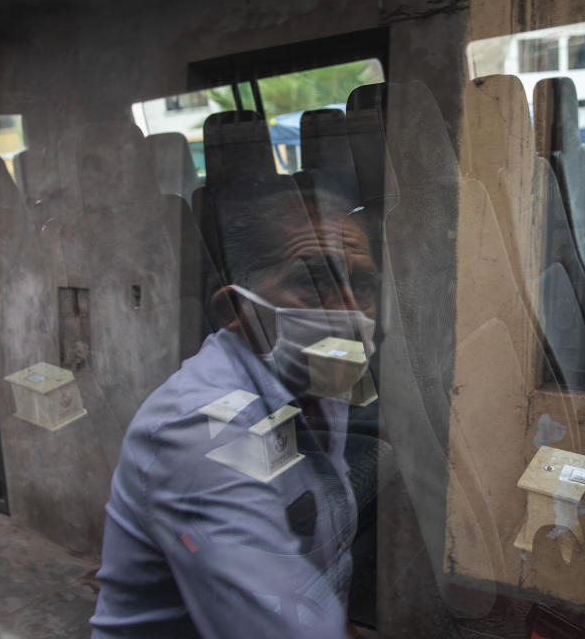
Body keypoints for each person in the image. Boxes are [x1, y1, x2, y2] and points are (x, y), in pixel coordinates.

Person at [90, 189, 380, 638]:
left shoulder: (319, 380)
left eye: (361, 285)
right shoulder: (200, 429)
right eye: (313, 282)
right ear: (235, 309)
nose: (350, 309)